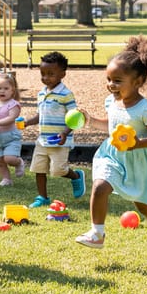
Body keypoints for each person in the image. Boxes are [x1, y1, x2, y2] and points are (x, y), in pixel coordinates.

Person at [74, 36, 147, 253]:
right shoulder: (112, 102)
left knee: (143, 206)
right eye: (109, 79)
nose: (111, 85)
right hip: (111, 155)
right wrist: (90, 120)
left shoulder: (146, 109)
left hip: (138, 160)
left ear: (137, 82)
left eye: (117, 81)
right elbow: (111, 126)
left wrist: (138, 143)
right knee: (100, 186)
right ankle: (97, 233)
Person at [24, 51, 86, 209]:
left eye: (50, 74)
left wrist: (65, 133)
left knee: (58, 170)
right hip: (42, 140)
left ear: (62, 74)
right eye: (43, 74)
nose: (45, 78)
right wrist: (26, 123)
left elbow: (75, 117)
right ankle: (42, 197)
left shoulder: (66, 95)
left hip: (59, 140)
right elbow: (40, 115)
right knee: (39, 168)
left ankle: (76, 176)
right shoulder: (41, 94)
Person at [0, 73, 24, 186]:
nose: (2, 91)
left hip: (10, 137)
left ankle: (18, 162)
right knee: (0, 161)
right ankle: (6, 179)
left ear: (13, 90)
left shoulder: (13, 105)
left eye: (6, 88)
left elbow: (12, 118)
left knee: (9, 159)